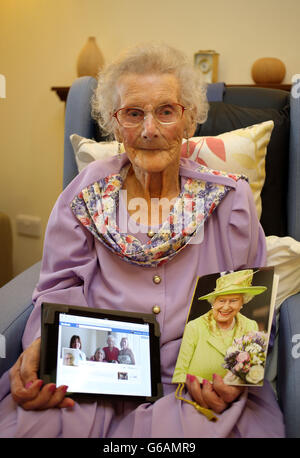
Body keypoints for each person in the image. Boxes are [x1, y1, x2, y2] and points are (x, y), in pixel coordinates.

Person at [0, 43, 284, 438]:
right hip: (92, 378)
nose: (150, 129)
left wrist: (234, 375)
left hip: (194, 386)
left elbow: (249, 308)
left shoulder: (230, 200)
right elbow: (59, 285)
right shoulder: (87, 193)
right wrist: (43, 345)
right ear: (116, 125)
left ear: (188, 121)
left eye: (165, 111)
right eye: (134, 113)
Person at [172, 270, 266, 384]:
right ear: (213, 302)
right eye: (221, 300)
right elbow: (179, 376)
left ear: (242, 302)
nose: (226, 307)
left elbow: (254, 369)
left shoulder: (250, 325)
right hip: (195, 394)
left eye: (233, 300)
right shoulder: (194, 327)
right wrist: (212, 385)